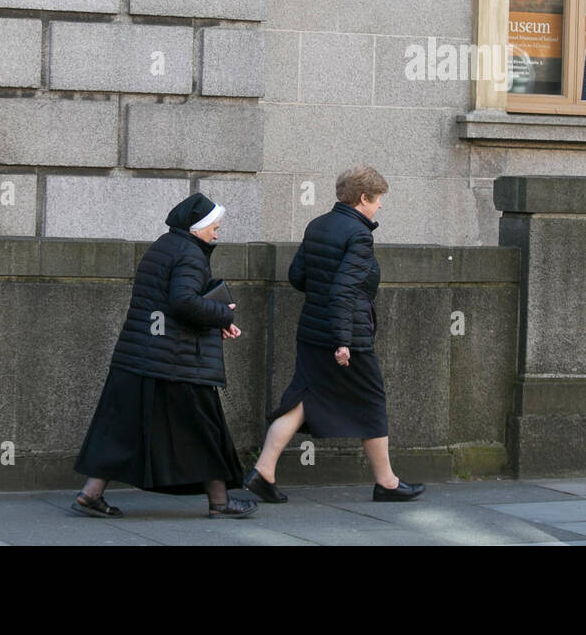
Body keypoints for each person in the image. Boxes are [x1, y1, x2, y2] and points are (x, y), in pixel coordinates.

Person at [245, 165, 423, 503]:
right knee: (371, 401)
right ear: (362, 199)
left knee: (302, 399)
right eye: (378, 199)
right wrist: (343, 341)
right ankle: (386, 482)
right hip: (347, 333)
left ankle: (263, 471)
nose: (380, 206)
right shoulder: (358, 235)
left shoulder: (318, 225)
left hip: (312, 329)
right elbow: (344, 290)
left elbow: (298, 277)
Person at [71, 193, 257, 518]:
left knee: (122, 429)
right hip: (176, 361)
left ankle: (91, 494)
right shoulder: (190, 254)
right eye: (214, 227)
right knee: (205, 430)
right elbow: (182, 301)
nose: (217, 233)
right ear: (197, 227)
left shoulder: (164, 245)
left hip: (140, 356)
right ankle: (220, 502)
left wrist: (215, 317)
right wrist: (222, 315)